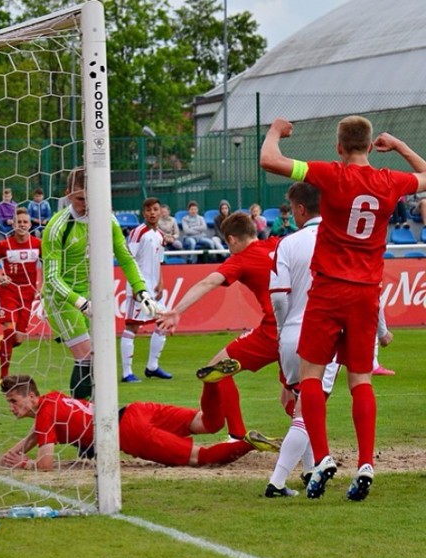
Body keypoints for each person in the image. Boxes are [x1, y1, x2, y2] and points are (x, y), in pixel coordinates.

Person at [260, 115, 426, 501]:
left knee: (312, 376)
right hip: (367, 294)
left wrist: (275, 131)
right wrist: (400, 147)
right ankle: (366, 462)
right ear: (370, 147)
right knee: (361, 381)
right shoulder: (390, 181)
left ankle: (322, 459)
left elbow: (270, 160)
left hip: (330, 290)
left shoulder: (330, 174)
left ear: (338, 147)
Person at [0, 375, 280, 471]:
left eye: (13, 401)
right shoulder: (53, 399)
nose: (10, 408)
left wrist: (23, 465)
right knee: (207, 421)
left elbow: (45, 463)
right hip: (137, 409)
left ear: (30, 397)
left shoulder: (45, 413)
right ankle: (212, 381)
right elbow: (34, 437)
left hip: (128, 432)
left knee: (201, 457)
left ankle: (245, 443)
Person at [158, 213, 281, 443]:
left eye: (227, 243)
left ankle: (235, 434)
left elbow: (208, 282)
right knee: (293, 395)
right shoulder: (277, 243)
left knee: (215, 369)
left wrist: (176, 311)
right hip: (303, 327)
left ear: (232, 239)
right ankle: (310, 447)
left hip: (274, 330)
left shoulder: (241, 258)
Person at [41, 167, 158, 403]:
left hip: (92, 295)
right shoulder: (57, 227)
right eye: (80, 199)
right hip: (63, 299)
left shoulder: (107, 219)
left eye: (92, 198)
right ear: (67, 195)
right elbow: (51, 279)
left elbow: (125, 256)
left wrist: (141, 289)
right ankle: (79, 416)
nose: (87, 204)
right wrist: (81, 302)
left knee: (99, 360)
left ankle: (89, 414)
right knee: (87, 357)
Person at [266, 182, 341, 497]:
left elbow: (279, 298)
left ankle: (311, 471)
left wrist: (284, 331)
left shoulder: (287, 243)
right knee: (307, 412)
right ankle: (276, 482)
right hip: (324, 334)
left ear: (299, 209)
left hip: (291, 333)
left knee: (304, 406)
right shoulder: (340, 242)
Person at [121, 197, 172, 383]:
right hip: (139, 287)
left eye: (155, 209)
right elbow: (129, 260)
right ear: (144, 213)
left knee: (163, 323)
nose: (152, 212)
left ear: (161, 211)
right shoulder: (137, 233)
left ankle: (152, 367)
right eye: (148, 209)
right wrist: (135, 285)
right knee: (132, 327)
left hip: (154, 287)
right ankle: (127, 373)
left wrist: (161, 282)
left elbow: (159, 261)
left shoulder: (159, 235)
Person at [0, 208, 42, 382]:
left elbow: (48, 266)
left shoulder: (38, 244)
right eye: (19, 222)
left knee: (17, 339)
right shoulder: (4, 245)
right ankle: (4, 376)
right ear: (13, 223)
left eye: (25, 222)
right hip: (9, 291)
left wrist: (44, 287)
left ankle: (1, 345)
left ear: (30, 224)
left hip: (28, 293)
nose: (22, 225)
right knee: (9, 331)